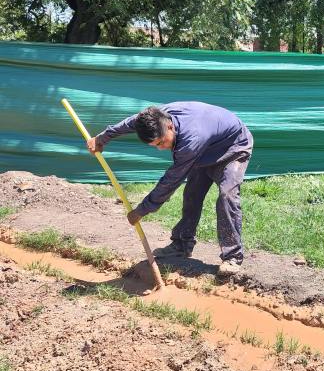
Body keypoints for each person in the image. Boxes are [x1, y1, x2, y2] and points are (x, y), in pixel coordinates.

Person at [87, 101, 253, 275]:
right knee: (192, 195)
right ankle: (181, 244)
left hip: (232, 147)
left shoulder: (191, 140)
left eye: (160, 142)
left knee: (227, 195)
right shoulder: (154, 117)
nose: (160, 149)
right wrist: (101, 138)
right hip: (205, 148)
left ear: (170, 126)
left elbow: (171, 181)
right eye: (155, 145)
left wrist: (142, 210)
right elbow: (130, 123)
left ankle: (233, 257)